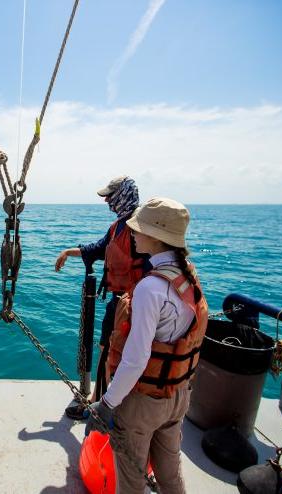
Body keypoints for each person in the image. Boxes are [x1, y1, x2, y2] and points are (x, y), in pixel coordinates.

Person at [86, 197, 209, 494]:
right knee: (170, 476)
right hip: (177, 397)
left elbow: (136, 358)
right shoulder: (187, 275)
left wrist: (108, 403)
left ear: (156, 236)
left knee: (131, 481)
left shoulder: (150, 288)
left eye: (138, 230)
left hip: (143, 402)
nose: (134, 235)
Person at [55, 176, 150, 419]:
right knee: (107, 351)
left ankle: (102, 407)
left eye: (111, 196)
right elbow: (96, 250)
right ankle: (101, 401)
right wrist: (67, 252)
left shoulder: (142, 229)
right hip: (118, 303)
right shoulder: (118, 227)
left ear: (123, 195)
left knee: (114, 354)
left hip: (137, 305)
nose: (107, 201)